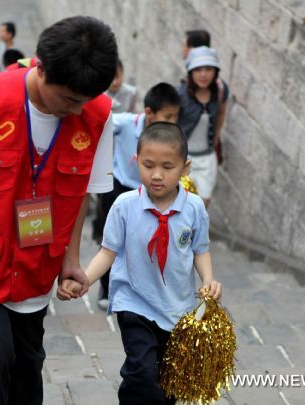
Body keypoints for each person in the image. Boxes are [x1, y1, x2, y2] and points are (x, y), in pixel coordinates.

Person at [0, 16, 118, 405]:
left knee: (25, 371)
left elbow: (82, 194)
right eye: (68, 99)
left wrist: (71, 259)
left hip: (36, 272)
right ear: (41, 67)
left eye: (85, 101)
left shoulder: (97, 114)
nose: (76, 109)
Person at [58, 121, 222, 405]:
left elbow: (200, 250)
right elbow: (108, 252)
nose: (156, 175)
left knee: (168, 380)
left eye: (167, 167)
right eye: (148, 165)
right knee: (141, 373)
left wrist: (208, 279)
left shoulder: (194, 207)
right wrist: (84, 279)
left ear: (185, 168)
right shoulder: (124, 206)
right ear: (136, 161)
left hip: (177, 309)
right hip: (134, 303)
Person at [93, 82, 181, 309]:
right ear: (149, 113)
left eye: (175, 117)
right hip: (119, 189)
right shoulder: (125, 124)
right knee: (111, 241)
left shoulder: (171, 138)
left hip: (150, 194)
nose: (172, 123)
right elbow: (97, 124)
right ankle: (106, 286)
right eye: (168, 116)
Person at [177, 46, 228, 207]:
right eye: (198, 69)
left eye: (208, 69)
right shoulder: (180, 94)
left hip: (207, 158)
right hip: (184, 159)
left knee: (202, 204)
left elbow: (221, 112)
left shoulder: (219, 92)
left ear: (215, 71)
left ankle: (192, 232)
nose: (203, 74)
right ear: (191, 72)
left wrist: (216, 136)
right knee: (181, 204)